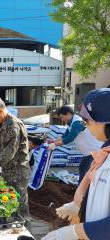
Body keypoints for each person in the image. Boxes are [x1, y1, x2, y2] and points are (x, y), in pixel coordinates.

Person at [42, 88, 110, 240]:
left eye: (88, 121)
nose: (86, 125)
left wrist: (75, 232)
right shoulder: (103, 154)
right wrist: (79, 205)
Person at [0, 95, 30, 219]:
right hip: (8, 170)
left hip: (18, 172)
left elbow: (8, 154)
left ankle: (26, 233)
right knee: (9, 205)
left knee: (20, 207)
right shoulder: (2, 123)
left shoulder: (13, 125)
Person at [48, 105, 103, 183]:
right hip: (88, 153)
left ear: (68, 114)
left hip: (95, 152)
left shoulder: (78, 122)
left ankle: (85, 193)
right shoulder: (71, 123)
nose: (62, 119)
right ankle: (81, 191)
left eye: (62, 117)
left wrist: (54, 145)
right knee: (82, 170)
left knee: (86, 174)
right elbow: (65, 136)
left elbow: (69, 138)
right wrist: (53, 141)